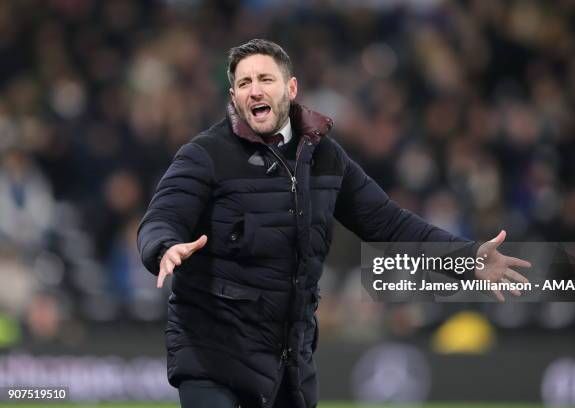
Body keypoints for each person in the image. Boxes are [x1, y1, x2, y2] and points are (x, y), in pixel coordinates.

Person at [137, 39, 530, 408]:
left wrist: (466, 258)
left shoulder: (325, 158)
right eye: (244, 83)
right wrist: (164, 246)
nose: (254, 90)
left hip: (287, 362)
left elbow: (389, 225)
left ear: (290, 89)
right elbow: (162, 217)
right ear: (233, 97)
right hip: (211, 351)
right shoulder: (204, 155)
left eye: (265, 79)